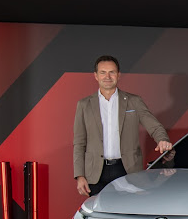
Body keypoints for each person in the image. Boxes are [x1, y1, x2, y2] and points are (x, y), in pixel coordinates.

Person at [73, 55, 173, 196]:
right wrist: (79, 175)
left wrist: (163, 140)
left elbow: (154, 127)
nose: (107, 76)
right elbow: (79, 143)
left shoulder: (134, 101)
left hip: (127, 170)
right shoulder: (84, 105)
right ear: (96, 76)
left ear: (119, 75)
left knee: (129, 212)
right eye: (103, 72)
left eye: (112, 72)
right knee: (101, 214)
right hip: (95, 174)